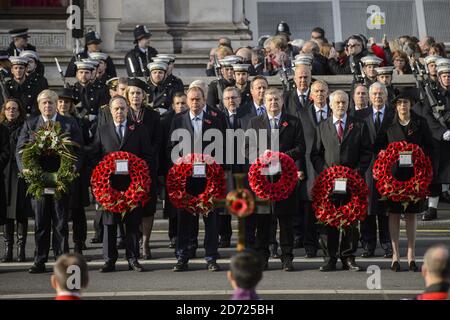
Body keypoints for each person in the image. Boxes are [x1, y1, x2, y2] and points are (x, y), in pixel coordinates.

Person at [16, 89, 83, 274]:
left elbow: (79, 151)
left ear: (57, 105)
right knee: (41, 223)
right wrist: (25, 169)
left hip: (61, 181)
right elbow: (20, 150)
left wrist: (74, 168)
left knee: (61, 223)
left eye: (51, 103)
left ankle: (62, 260)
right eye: (44, 103)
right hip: (39, 182)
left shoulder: (69, 124)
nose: (47, 106)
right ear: (39, 105)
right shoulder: (30, 124)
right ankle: (40, 260)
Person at [89, 95, 152, 273]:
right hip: (109, 187)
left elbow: (147, 155)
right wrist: (100, 174)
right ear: (110, 110)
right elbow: (94, 154)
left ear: (128, 110)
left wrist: (142, 174)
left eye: (123, 108)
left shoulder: (139, 129)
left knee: (132, 224)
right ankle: (109, 260)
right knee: (109, 225)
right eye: (116, 108)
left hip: (133, 186)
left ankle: (133, 258)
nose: (119, 111)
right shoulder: (102, 130)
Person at [246, 87, 307, 271]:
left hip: (285, 179)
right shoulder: (254, 122)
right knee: (263, 221)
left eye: (277, 100)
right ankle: (262, 256)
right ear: (264, 102)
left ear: (282, 102)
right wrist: (261, 156)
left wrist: (281, 156)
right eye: (270, 100)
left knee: (285, 221)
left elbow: (300, 147)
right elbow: (247, 149)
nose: (273, 103)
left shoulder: (293, 122)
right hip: (263, 180)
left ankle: (287, 257)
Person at [311, 90, 372, 272]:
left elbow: (366, 152)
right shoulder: (322, 126)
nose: (340, 105)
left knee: (350, 220)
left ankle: (348, 257)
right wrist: (326, 173)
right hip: (328, 183)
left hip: (352, 182)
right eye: (337, 102)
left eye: (344, 102)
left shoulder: (359, 125)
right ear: (330, 105)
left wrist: (356, 173)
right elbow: (315, 154)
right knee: (328, 220)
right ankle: (330, 258)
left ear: (348, 104)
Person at [375, 90, 434, 272]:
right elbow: (378, 146)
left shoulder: (420, 123)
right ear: (395, 106)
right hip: (394, 179)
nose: (403, 106)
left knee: (411, 216)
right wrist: (383, 153)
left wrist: (423, 158)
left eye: (406, 103)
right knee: (393, 216)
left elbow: (430, 147)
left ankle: (411, 255)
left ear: (411, 105)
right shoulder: (388, 125)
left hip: (415, 179)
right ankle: (395, 255)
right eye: (400, 103)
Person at [168, 86, 224, 272]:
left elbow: (224, 146)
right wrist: (179, 166)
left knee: (211, 220)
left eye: (198, 99)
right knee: (184, 220)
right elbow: (172, 148)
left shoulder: (216, 120)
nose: (194, 103)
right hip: (187, 180)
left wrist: (216, 167)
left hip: (209, 179)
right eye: (191, 99)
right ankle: (182, 257)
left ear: (204, 99)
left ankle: (211, 257)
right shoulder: (178, 121)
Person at [356, 82, 395, 259]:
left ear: (386, 96)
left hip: (389, 166)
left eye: (381, 94)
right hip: (366, 165)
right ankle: (368, 243)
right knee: (367, 207)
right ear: (370, 97)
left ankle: (387, 243)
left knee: (386, 207)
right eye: (375, 94)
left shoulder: (393, 114)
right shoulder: (360, 115)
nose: (378, 97)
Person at [125, 78, 161, 260]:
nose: (135, 96)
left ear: (144, 95)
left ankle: (145, 243)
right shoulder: (123, 113)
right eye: (132, 93)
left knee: (148, 207)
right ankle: (134, 240)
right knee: (133, 206)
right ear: (127, 95)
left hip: (147, 168)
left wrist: (145, 162)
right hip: (128, 170)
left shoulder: (153, 116)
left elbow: (157, 142)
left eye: (139, 93)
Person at [56, 89, 91, 255]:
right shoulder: (52, 121)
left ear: (71, 105)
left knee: (77, 210)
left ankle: (79, 243)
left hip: (76, 171)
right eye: (61, 102)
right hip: (56, 172)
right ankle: (60, 244)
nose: (63, 105)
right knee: (59, 211)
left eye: (67, 102)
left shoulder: (79, 121)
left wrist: (75, 166)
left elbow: (85, 146)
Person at [0, 99, 30, 263]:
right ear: (4, 111)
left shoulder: (24, 127)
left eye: (14, 109)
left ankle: (21, 250)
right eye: (8, 108)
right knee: (7, 212)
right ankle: (8, 250)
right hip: (4, 174)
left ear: (19, 111)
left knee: (21, 211)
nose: (11, 111)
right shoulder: (1, 128)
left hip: (20, 173)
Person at [421, 65, 450, 221]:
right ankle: (432, 208)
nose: (447, 78)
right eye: (444, 76)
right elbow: (426, 115)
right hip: (439, 141)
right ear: (439, 78)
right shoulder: (432, 94)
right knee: (436, 175)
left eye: (449, 76)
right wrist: (441, 132)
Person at [160, 92, 188, 249]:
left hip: (190, 169)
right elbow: (165, 146)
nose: (180, 106)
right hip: (172, 169)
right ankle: (173, 235)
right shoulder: (165, 121)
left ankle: (187, 237)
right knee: (173, 206)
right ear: (172, 105)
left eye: (183, 103)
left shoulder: (188, 120)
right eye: (177, 103)